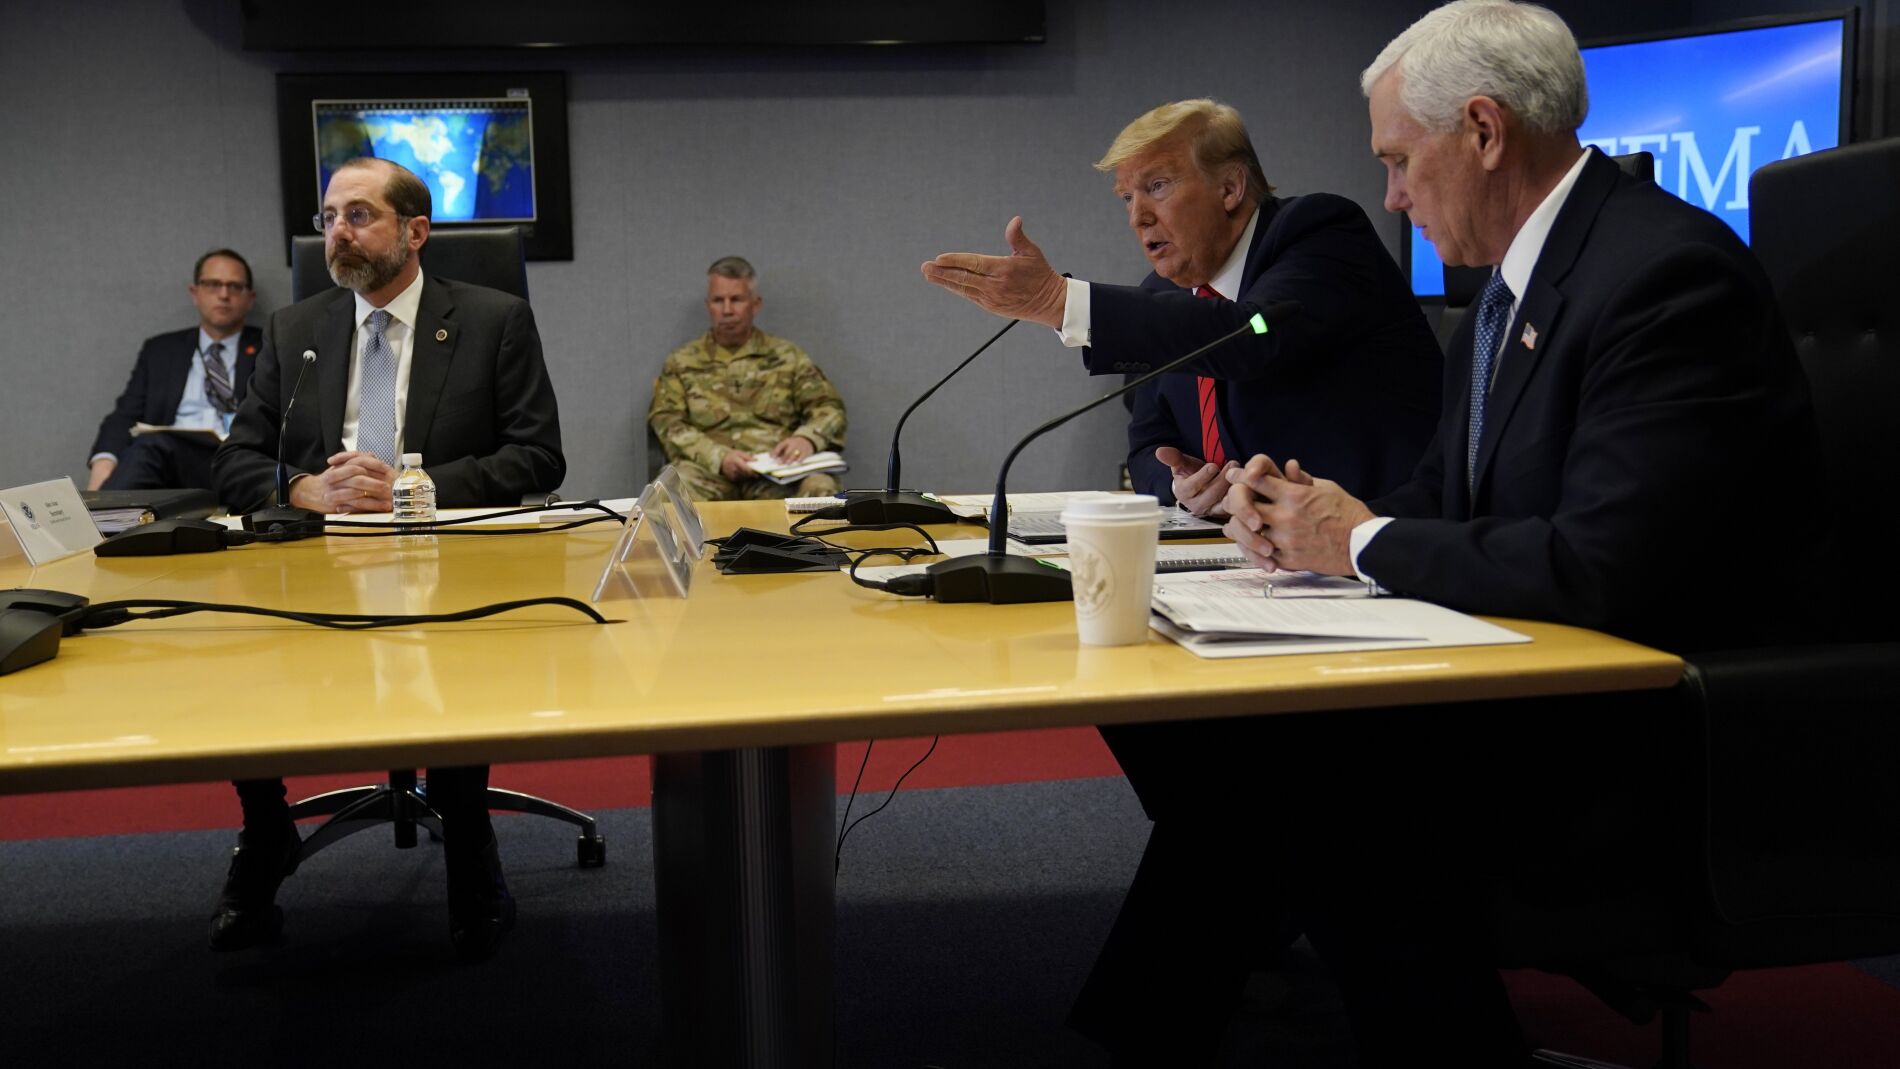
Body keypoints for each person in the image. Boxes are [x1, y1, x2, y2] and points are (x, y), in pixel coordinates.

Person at [1088, 3, 1823, 1065]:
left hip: (1667, 724)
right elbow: (1441, 492)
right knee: (1252, 751)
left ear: (1482, 131)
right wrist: (1305, 518)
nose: (1391, 195)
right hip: (1538, 672)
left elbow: (1599, 564)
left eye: (1398, 160)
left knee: (1308, 778)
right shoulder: (1505, 294)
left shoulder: (1664, 275)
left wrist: (1358, 544)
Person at [208, 157, 565, 961]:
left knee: (458, 653)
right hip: (314, 559)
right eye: (329, 216)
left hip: (445, 555)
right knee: (234, 639)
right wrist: (303, 488)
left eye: (359, 214)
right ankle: (264, 829)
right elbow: (235, 460)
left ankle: (468, 837)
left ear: (416, 231)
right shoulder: (296, 330)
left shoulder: (494, 319)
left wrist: (411, 487)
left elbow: (538, 456)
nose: (338, 231)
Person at [920, 99, 1440, 515]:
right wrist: (1179, 485)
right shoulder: (1163, 296)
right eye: (1127, 197)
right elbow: (1147, 442)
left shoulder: (1319, 233)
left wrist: (1060, 303)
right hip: (1244, 562)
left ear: (1230, 188)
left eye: (1157, 186)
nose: (1137, 217)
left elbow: (1252, 336)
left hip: (1378, 548)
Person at [648, 257, 848, 501]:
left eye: (736, 300)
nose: (727, 310)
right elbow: (666, 421)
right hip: (707, 472)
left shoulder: (787, 356)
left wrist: (806, 439)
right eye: (718, 300)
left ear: (755, 304)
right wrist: (718, 457)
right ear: (708, 305)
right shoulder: (681, 362)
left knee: (820, 487)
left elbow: (829, 408)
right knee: (667, 494)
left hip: (777, 472)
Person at [87, 250, 263, 492]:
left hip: (241, 459)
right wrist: (104, 463)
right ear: (195, 293)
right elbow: (125, 415)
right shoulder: (160, 351)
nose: (223, 295)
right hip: (173, 460)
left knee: (149, 447)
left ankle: (98, 513)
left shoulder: (270, 347)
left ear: (250, 298)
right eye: (213, 284)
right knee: (147, 448)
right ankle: (101, 510)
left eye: (234, 286)